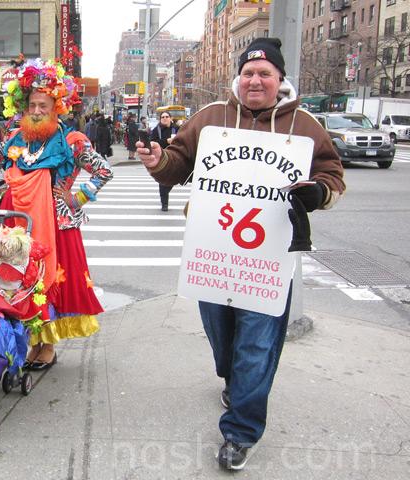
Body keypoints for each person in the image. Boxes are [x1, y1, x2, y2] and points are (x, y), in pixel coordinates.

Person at [137, 38, 345, 470]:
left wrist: (318, 191)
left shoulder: (303, 125)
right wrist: (159, 161)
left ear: (280, 80)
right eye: (249, 72)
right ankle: (234, 381)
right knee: (223, 336)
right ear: (239, 78)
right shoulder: (211, 117)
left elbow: (331, 174)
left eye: (265, 73)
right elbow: (179, 160)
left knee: (257, 344)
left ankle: (240, 431)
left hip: (267, 258)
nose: (255, 80)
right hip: (213, 252)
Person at [0, 57, 113, 370]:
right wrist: (7, 191)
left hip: (57, 227)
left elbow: (104, 171)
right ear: (24, 106)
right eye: (32, 105)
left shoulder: (71, 142)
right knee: (17, 281)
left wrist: (76, 197)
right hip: (18, 225)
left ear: (56, 107)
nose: (37, 111)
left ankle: (48, 345)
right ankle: (30, 341)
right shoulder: (14, 139)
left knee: (46, 283)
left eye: (44, 105)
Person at [149, 113, 178, 211]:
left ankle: (166, 192)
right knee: (162, 181)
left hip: (175, 157)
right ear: (160, 119)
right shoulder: (156, 130)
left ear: (171, 118)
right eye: (163, 117)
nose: (165, 118)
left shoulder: (177, 128)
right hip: (162, 158)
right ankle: (164, 203)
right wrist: (166, 141)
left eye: (167, 117)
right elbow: (152, 143)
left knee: (173, 179)